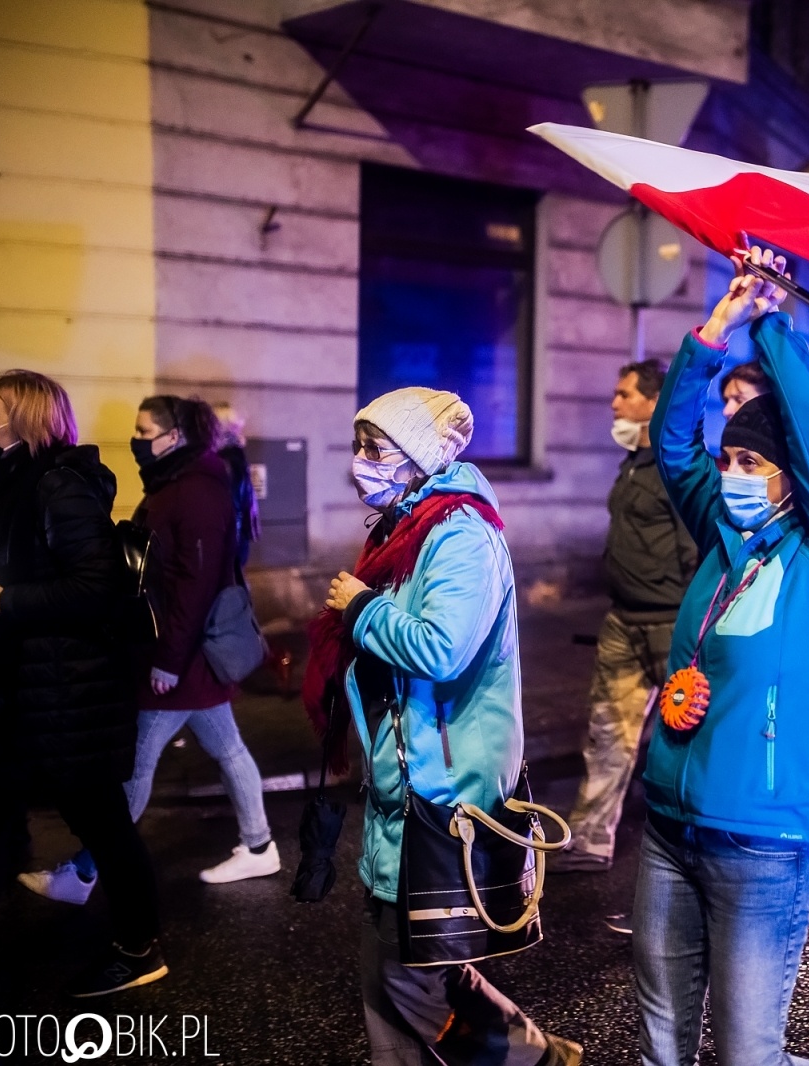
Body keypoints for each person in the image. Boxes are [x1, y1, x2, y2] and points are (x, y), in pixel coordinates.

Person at [634, 247, 809, 1065]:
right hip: (670, 829)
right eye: (730, 460)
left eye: (752, 463)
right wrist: (719, 326)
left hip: (761, 844)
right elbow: (673, 448)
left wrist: (774, 321)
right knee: (660, 1049)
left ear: (789, 480)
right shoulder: (722, 538)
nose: (732, 474)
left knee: (748, 1055)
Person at [310, 387, 580, 1066]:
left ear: (417, 456)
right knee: (421, 959)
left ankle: (516, 1057)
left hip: (442, 784)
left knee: (395, 973)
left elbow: (440, 648)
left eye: (374, 448)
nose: (360, 462)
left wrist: (361, 608)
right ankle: (533, 1056)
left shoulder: (459, 533)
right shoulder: (409, 526)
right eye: (359, 445)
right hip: (410, 776)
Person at [20, 396, 278, 903]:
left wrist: (167, 661)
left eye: (144, 430)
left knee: (136, 764)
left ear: (174, 436)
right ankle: (259, 845)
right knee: (227, 748)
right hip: (185, 655)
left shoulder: (195, 491)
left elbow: (193, 585)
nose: (136, 439)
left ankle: (86, 870)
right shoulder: (179, 483)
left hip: (181, 657)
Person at [0, 370, 164, 996]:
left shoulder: (59, 487)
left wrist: (5, 602)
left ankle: (138, 946)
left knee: (102, 824)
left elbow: (95, 587)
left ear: (26, 421)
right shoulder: (11, 485)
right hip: (23, 693)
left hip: (71, 698)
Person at [552, 360, 697, 877]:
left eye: (625, 394)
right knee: (607, 733)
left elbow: (693, 550)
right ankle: (590, 840)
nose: (614, 403)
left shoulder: (676, 467)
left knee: (685, 739)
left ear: (653, 403)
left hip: (668, 623)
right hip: (623, 620)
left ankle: (696, 853)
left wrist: (690, 620)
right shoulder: (633, 462)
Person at [214, 402, 261, 569]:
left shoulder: (228, 461)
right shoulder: (233, 459)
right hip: (235, 539)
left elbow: (232, 504)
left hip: (230, 541)